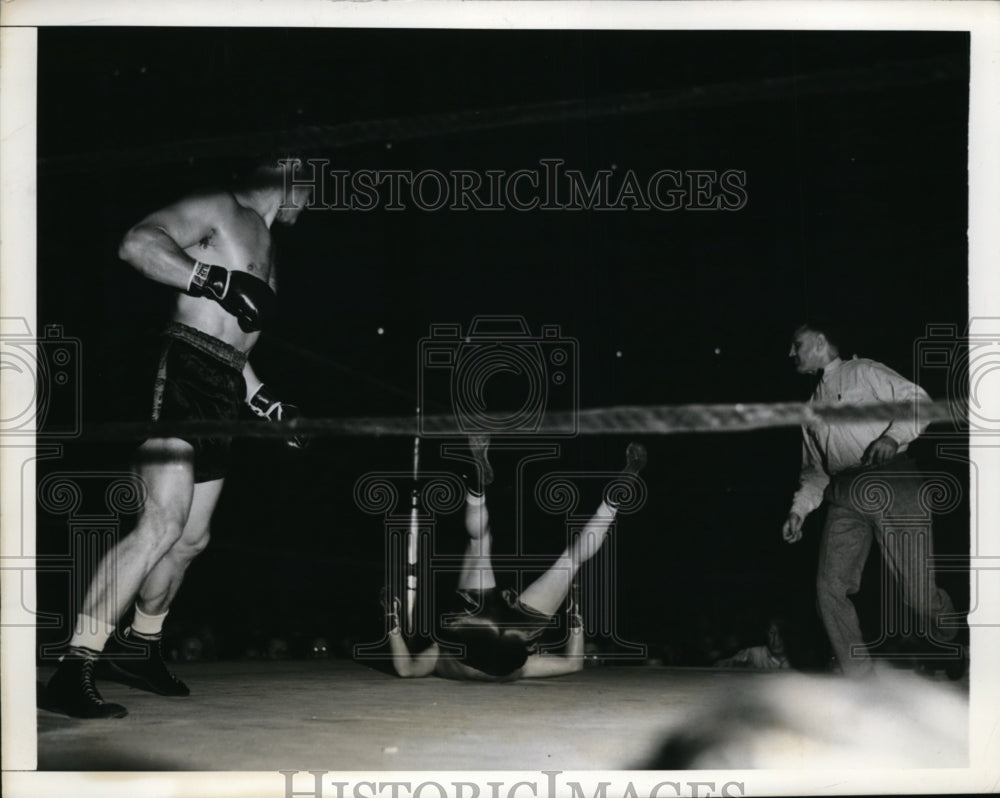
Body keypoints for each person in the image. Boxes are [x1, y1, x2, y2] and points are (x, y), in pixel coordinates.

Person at [41, 159, 312, 718]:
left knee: (191, 540)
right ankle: (75, 667)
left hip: (221, 384)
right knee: (162, 521)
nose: (314, 202)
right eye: (315, 187)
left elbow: (234, 343)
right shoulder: (219, 207)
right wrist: (212, 279)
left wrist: (267, 403)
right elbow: (138, 244)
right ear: (291, 169)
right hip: (180, 369)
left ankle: (140, 648)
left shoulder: (269, 243)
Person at [386, 436, 647, 681]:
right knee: (480, 542)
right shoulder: (444, 651)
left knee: (571, 562)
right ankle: (610, 503)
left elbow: (406, 669)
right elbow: (406, 668)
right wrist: (391, 621)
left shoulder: (511, 664)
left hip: (507, 633)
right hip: (473, 623)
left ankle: (612, 503)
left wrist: (575, 621)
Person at [781, 322, 956, 677]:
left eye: (795, 344)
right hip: (844, 493)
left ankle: (952, 636)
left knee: (918, 597)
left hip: (893, 479)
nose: (790, 353)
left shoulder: (864, 371)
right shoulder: (810, 409)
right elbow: (815, 471)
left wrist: (894, 436)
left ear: (819, 341)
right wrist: (798, 511)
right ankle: (858, 675)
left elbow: (917, 399)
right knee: (828, 587)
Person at [714, 617, 791, 670]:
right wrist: (740, 665)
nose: (776, 640)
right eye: (772, 633)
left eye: (782, 634)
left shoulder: (798, 658)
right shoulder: (753, 654)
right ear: (766, 633)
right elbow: (718, 665)